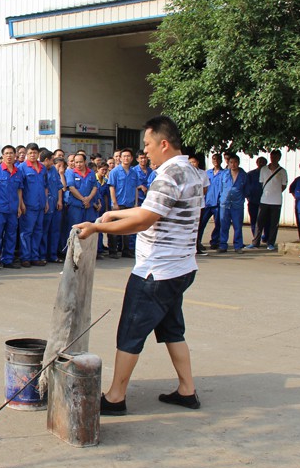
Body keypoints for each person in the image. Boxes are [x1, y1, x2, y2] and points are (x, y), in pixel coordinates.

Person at [74, 115, 203, 416]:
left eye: (147, 144)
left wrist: (97, 228)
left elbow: (146, 219)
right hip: (181, 268)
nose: (146, 151)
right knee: (172, 329)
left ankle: (116, 397)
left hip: (155, 272)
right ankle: (187, 390)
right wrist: (114, 215)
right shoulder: (192, 172)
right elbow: (151, 208)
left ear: (164, 144)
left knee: (130, 332)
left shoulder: (168, 175)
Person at [0, 145, 24, 271]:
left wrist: (19, 206)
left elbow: (19, 190)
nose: (9, 156)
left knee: (11, 235)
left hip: (13, 209)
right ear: (2, 156)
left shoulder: (18, 172)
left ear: (15, 155)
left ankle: (8, 259)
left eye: (11, 153)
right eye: (6, 153)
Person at [17, 142, 48, 267]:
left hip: (40, 205)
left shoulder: (42, 168)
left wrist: (46, 202)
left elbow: (45, 186)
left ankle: (35, 257)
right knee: (26, 232)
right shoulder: (22, 168)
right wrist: (21, 203)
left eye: (35, 153)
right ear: (26, 154)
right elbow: (19, 188)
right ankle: (25, 257)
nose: (33, 155)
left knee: (38, 231)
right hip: (28, 205)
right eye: (30, 153)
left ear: (38, 154)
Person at [252, 150, 288, 251]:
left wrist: (275, 192)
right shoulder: (264, 169)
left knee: (273, 223)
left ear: (279, 158)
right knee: (259, 222)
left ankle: (270, 242)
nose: (274, 159)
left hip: (276, 201)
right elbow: (261, 182)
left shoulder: (282, 171)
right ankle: (255, 242)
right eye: (272, 156)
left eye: (276, 157)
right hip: (264, 199)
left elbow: (283, 185)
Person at [108, 148, 140, 259]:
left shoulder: (134, 172)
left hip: (130, 204)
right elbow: (112, 188)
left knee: (128, 229)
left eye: (128, 156)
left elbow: (136, 188)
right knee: (114, 228)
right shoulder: (114, 172)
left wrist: (136, 203)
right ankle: (113, 251)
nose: (126, 158)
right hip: (119, 204)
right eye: (124, 156)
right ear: (120, 158)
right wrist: (114, 203)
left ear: (131, 159)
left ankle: (126, 250)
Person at [64, 153, 98, 247]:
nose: (78, 164)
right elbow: (71, 188)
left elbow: (95, 187)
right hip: (76, 207)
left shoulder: (91, 172)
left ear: (85, 162)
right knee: (74, 230)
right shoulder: (71, 172)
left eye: (81, 162)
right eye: (76, 162)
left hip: (88, 207)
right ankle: (72, 252)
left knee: (88, 230)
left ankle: (87, 253)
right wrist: (83, 199)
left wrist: (89, 199)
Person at [217, 154, 248, 252]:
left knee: (237, 226)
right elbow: (220, 188)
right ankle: (222, 245)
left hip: (237, 204)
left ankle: (238, 246)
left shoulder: (243, 175)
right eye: (231, 162)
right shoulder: (224, 174)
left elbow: (246, 189)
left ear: (238, 163)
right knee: (224, 225)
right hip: (225, 204)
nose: (233, 165)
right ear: (228, 163)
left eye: (235, 162)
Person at [196, 152, 223, 253]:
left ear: (221, 160)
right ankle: (198, 242)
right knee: (201, 224)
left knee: (218, 223)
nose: (216, 161)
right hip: (207, 202)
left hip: (217, 202)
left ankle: (215, 241)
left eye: (218, 159)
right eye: (214, 159)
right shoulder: (208, 173)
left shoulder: (223, 173)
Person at [42, 153, 64, 263]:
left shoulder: (54, 170)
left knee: (55, 230)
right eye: (52, 160)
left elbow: (59, 186)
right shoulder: (41, 170)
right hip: (46, 204)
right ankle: (43, 255)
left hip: (55, 204)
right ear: (47, 160)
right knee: (44, 231)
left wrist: (60, 200)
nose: (53, 163)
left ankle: (53, 255)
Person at [244, 157, 267, 238]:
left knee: (266, 220)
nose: (261, 163)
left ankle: (266, 237)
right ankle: (256, 237)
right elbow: (246, 186)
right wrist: (248, 196)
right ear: (257, 163)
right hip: (253, 201)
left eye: (263, 162)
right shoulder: (250, 174)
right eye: (259, 162)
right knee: (254, 220)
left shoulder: (268, 173)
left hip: (266, 201)